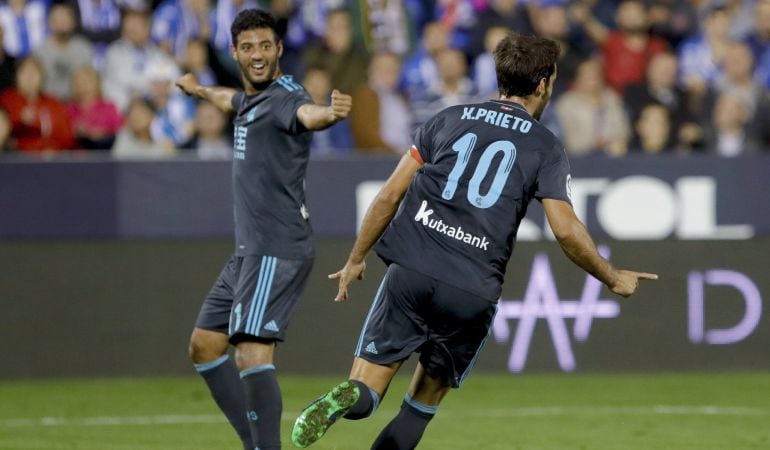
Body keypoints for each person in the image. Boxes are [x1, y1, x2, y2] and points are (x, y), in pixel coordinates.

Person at [291, 33, 657, 449]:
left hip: (411, 270)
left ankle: (351, 397)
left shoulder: (448, 119)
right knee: (419, 407)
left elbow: (389, 195)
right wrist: (611, 277)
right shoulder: (545, 146)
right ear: (542, 83)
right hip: (471, 289)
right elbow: (566, 229)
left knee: (369, 390)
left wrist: (357, 258)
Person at [174, 9, 352, 450]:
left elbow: (308, 115)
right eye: (248, 47)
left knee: (251, 352)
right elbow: (230, 100)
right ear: (234, 51)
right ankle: (253, 443)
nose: (257, 55)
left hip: (276, 246)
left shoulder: (285, 99)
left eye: (265, 46)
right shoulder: (253, 98)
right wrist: (197, 90)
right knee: (203, 346)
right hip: (249, 250)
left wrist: (331, 113)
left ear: (279, 51)